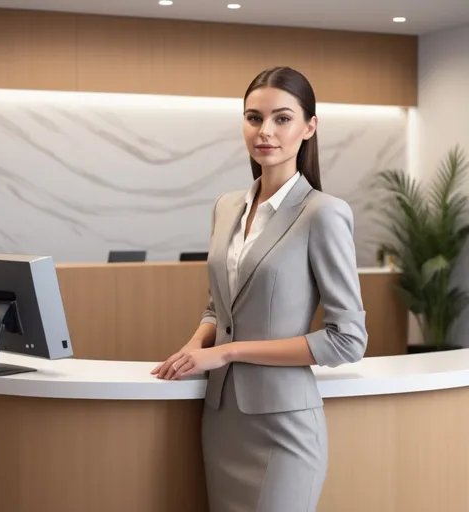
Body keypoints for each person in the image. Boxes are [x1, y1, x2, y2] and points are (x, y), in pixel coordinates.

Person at [151, 66, 368, 512]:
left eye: (282, 119)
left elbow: (348, 340)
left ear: (310, 127)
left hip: (283, 426)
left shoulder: (323, 214)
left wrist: (227, 353)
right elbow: (218, 307)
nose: (265, 131)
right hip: (221, 419)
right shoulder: (226, 206)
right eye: (253, 118)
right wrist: (193, 348)